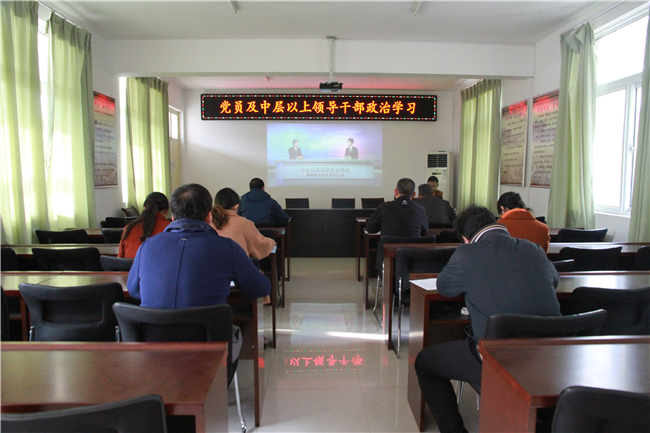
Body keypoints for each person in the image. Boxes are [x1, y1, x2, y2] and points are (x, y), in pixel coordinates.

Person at [415, 205, 560, 433]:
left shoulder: (467, 254)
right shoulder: (533, 248)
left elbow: (444, 287)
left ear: (465, 238)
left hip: (499, 357)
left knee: (425, 363)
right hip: (549, 355)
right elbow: (553, 281)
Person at [127, 183, 271, 309]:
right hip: (209, 331)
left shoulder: (147, 246)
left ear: (173, 217)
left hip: (154, 330)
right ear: (209, 217)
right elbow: (259, 289)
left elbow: (133, 290)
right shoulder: (227, 247)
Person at [211, 187, 276, 260]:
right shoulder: (244, 223)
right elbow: (263, 246)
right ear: (236, 206)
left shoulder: (208, 223)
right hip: (237, 266)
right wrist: (272, 242)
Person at [118, 192, 170, 258]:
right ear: (165, 211)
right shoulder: (169, 228)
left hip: (131, 264)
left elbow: (120, 259)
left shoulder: (129, 228)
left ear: (144, 207)